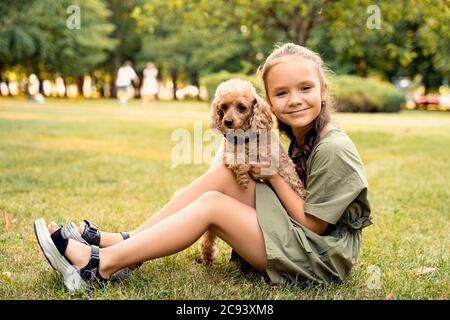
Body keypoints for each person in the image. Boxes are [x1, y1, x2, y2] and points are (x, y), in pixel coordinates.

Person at [34, 43, 373, 290]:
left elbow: (314, 225)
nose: (295, 99)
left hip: (320, 258)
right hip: (301, 239)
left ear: (324, 90)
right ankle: (124, 242)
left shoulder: (334, 148)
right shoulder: (300, 134)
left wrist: (272, 177)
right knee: (226, 172)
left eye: (305, 88)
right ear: (268, 102)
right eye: (281, 93)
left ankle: (100, 266)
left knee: (213, 204)